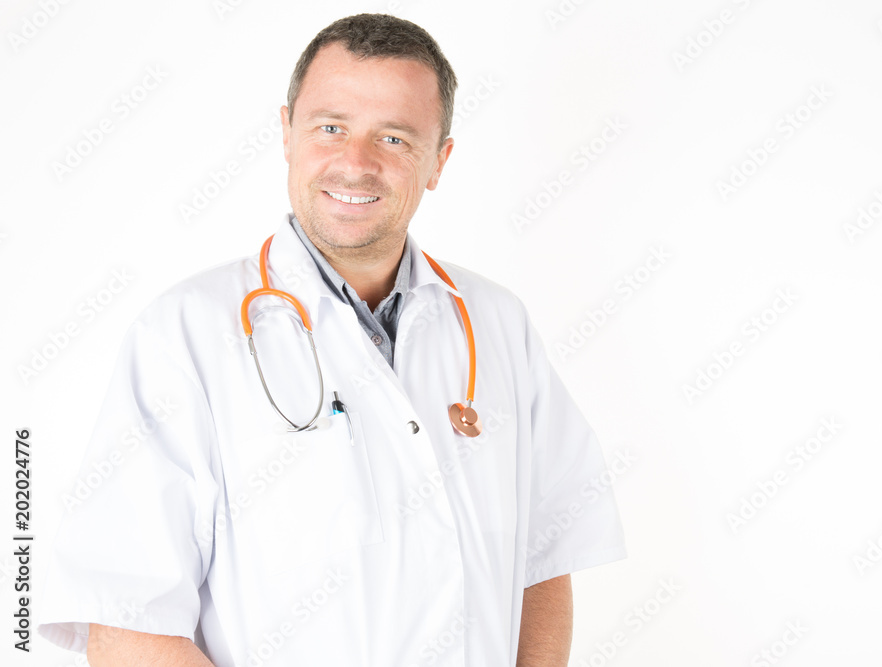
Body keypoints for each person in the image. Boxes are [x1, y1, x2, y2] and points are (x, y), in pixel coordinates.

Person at [38, 13, 626, 666]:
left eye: (395, 138)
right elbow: (127, 624)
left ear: (439, 161)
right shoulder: (184, 335)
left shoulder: (496, 325)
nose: (356, 162)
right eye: (330, 127)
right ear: (286, 133)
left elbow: (543, 560)